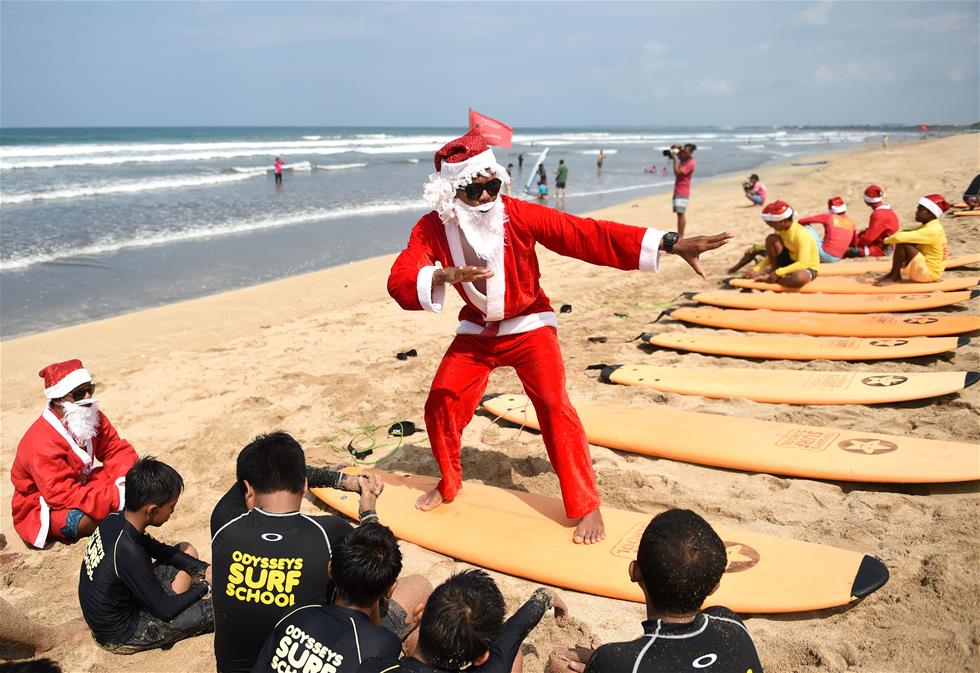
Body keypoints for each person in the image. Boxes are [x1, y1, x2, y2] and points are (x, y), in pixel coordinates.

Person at [386, 129, 731, 544]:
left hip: (530, 326)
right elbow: (404, 272)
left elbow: (587, 235)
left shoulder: (519, 214)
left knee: (553, 405)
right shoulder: (432, 227)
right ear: (450, 192)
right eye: (472, 191)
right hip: (478, 331)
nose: (484, 198)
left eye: (491, 186)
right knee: (441, 400)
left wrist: (669, 243)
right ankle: (449, 481)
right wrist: (441, 275)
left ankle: (586, 505)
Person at [211, 432, 407, 673]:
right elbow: (376, 553)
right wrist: (366, 508)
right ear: (304, 486)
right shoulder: (328, 531)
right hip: (309, 652)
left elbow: (261, 469)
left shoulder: (223, 522)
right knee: (410, 586)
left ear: (248, 489)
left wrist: (343, 480)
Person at [546, 509, 763, 673]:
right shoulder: (731, 625)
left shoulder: (618, 661)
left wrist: (606, 665)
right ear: (715, 586)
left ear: (634, 572)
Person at [78, 457, 213, 654]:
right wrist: (205, 585)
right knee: (219, 610)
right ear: (152, 510)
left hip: (120, 601)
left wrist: (204, 569)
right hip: (123, 633)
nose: (172, 512)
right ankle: (176, 620)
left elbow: (163, 551)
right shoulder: (128, 550)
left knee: (186, 550)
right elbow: (165, 610)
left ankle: (181, 605)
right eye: (171, 507)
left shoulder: (116, 520)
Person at [10, 359, 138, 549]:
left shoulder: (91, 414)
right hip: (43, 504)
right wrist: (117, 497)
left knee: (135, 481)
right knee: (86, 521)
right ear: (58, 400)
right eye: (79, 393)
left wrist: (123, 482)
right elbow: (61, 494)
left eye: (90, 389)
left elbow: (115, 449)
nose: (87, 396)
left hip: (80, 485)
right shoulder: (41, 442)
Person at [250, 523, 408, 672]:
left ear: (330, 569)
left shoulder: (298, 612)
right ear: (390, 589)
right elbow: (374, 636)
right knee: (418, 585)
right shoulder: (384, 643)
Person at [357, 570, 567, 673]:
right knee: (514, 656)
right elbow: (512, 634)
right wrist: (544, 597)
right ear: (480, 658)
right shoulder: (492, 665)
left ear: (419, 613)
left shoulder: (372, 667)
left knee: (416, 587)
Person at [874, 194, 950, 286]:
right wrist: (890, 240)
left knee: (903, 244)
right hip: (931, 273)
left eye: (920, 210)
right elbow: (905, 231)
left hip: (928, 275)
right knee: (908, 240)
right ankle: (893, 274)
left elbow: (899, 238)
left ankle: (894, 276)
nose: (916, 212)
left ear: (930, 213)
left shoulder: (931, 230)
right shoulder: (933, 225)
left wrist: (886, 241)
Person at [743, 200, 819, 288]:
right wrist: (756, 269)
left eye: (773, 223)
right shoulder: (782, 231)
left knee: (798, 278)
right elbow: (771, 255)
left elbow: (803, 263)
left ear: (784, 221)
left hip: (807, 268)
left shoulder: (801, 233)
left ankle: (775, 279)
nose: (770, 225)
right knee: (771, 239)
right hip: (790, 262)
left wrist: (778, 273)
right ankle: (774, 273)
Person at [846, 184, 900, 257]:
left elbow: (869, 238)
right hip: (888, 243)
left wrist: (857, 242)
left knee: (849, 250)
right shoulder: (887, 210)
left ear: (868, 200)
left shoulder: (878, 214)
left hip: (884, 248)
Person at [798, 196, 856, 263]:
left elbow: (802, 221)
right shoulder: (851, 222)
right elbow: (854, 242)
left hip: (825, 255)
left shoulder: (829, 217)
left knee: (806, 226)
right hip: (838, 257)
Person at [670, 143, 696, 238]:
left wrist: (674, 159)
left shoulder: (690, 162)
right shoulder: (684, 160)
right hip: (678, 189)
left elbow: (677, 172)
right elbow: (677, 154)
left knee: (680, 213)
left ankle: (681, 236)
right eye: (683, 151)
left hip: (682, 190)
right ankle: (680, 236)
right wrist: (676, 149)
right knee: (679, 213)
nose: (683, 153)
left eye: (685, 151)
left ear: (690, 152)